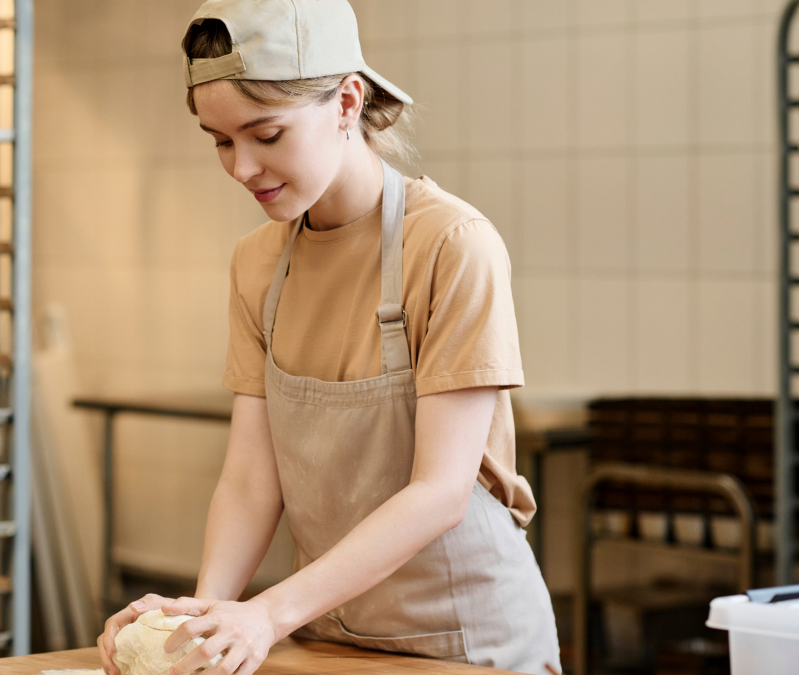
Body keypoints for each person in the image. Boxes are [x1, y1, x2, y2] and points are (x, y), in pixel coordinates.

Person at [97, 1, 561, 674]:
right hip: (330, 637)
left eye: (267, 134)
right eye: (222, 141)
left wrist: (269, 613)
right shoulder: (256, 264)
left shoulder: (452, 246)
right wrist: (200, 620)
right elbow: (253, 479)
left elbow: (440, 490)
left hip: (467, 645)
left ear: (347, 100)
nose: (242, 168)